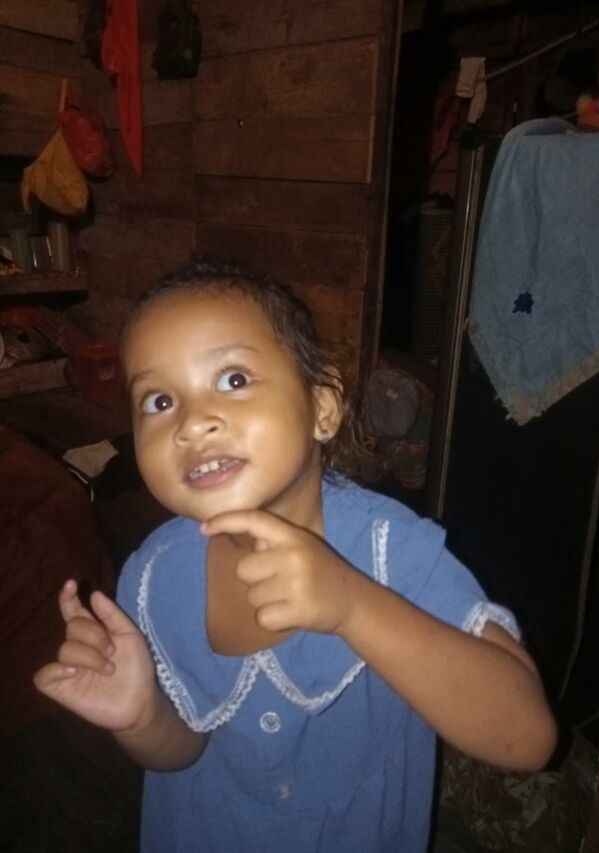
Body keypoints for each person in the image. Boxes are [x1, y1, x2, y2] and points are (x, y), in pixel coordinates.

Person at [34, 260, 557, 852]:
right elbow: (181, 751)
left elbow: (527, 739)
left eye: (233, 379)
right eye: (158, 400)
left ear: (322, 408)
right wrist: (140, 716)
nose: (192, 423)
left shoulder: (393, 550)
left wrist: (353, 606)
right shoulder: (154, 577)